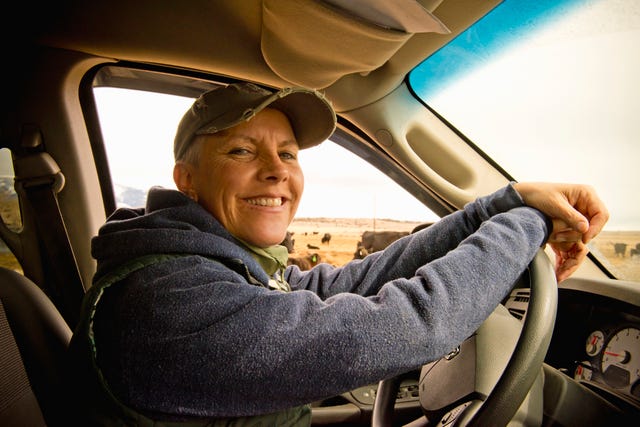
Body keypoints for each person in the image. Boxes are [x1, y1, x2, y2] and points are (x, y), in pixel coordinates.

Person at [67, 82, 608, 426]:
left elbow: (356, 280)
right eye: (240, 150)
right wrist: (528, 223)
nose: (277, 170)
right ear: (187, 181)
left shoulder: (218, 265)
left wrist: (500, 205)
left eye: (287, 153)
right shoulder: (168, 302)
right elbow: (411, 323)